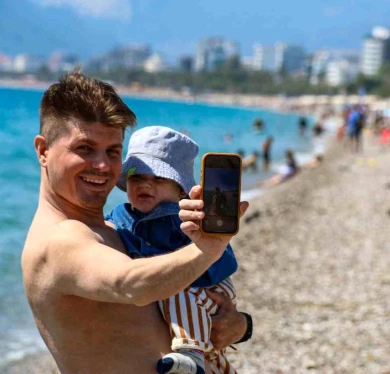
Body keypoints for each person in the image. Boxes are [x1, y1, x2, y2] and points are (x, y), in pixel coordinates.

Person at [21, 72, 250, 374]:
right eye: (84, 148)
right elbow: (130, 284)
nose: (102, 165)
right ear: (43, 151)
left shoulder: (117, 229)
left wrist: (240, 326)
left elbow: (164, 305)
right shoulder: (61, 239)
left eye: (113, 151)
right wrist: (207, 249)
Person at [106, 126, 241, 374]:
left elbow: (226, 262)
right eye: (137, 175)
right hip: (180, 300)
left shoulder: (183, 219)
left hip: (210, 285)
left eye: (158, 177)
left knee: (176, 284)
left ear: (181, 189)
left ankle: (190, 354)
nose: (146, 183)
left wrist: (195, 256)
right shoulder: (117, 218)